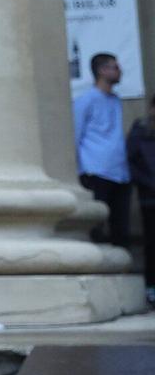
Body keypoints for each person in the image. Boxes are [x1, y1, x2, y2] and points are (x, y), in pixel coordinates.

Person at [75, 52, 132, 247]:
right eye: (115, 67)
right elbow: (76, 134)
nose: (120, 71)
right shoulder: (86, 100)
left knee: (121, 226)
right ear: (102, 70)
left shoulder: (115, 100)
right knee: (97, 224)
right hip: (96, 170)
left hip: (120, 172)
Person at [127, 115, 155, 305]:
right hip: (150, 197)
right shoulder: (141, 132)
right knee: (152, 244)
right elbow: (132, 164)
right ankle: (151, 287)